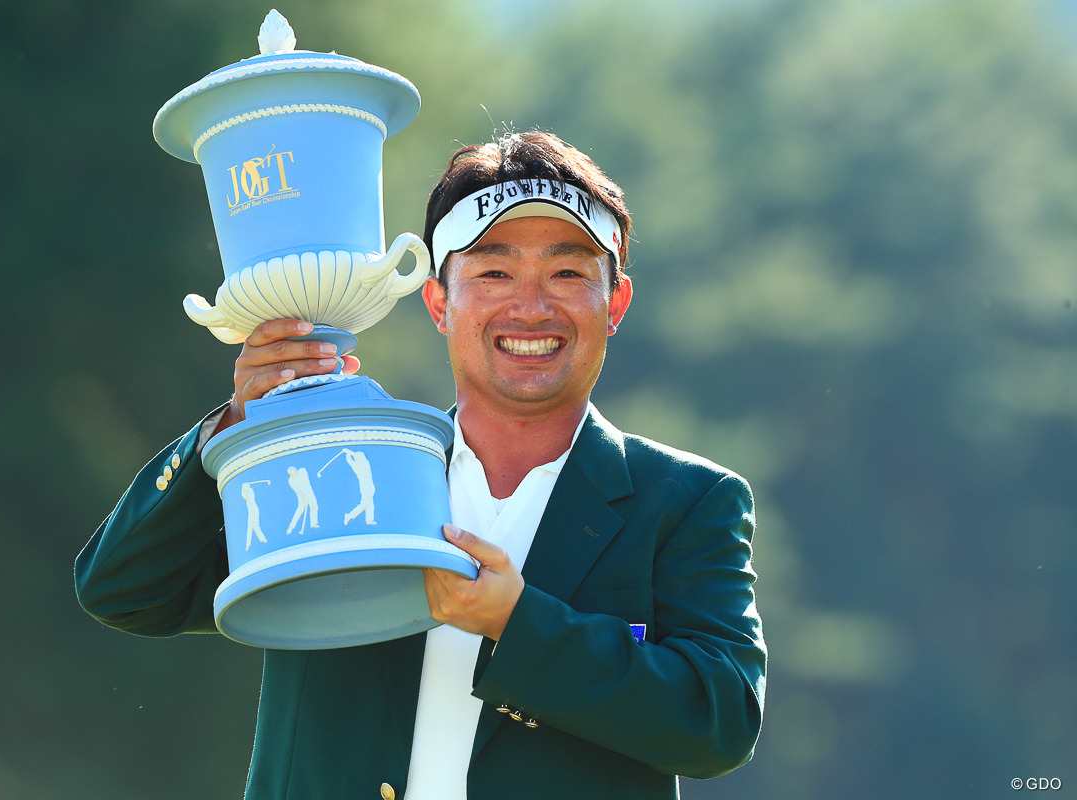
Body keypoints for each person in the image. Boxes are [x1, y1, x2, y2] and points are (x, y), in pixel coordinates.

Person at [76, 130, 765, 800]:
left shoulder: (688, 501)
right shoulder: (343, 467)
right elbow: (125, 590)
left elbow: (721, 721)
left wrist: (519, 624)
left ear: (614, 302)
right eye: (493, 273)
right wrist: (232, 428)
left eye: (567, 273)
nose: (531, 307)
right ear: (439, 302)